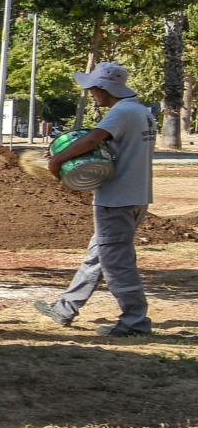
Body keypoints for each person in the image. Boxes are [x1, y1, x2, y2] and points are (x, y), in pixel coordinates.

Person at [40, 61, 156, 337]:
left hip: (116, 199)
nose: (91, 94)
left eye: (93, 89)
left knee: (117, 262)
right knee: (99, 254)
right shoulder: (141, 111)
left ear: (105, 88)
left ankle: (135, 321)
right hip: (137, 196)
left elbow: (93, 140)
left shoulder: (121, 112)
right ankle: (66, 307)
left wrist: (57, 161)